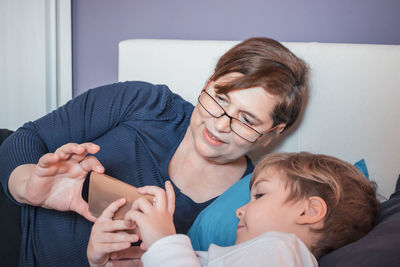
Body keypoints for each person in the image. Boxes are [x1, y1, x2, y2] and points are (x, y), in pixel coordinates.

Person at [0, 37, 309, 266]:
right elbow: (27, 138)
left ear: (272, 134)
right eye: (220, 99)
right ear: (209, 82)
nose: (220, 125)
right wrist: (30, 187)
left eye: (246, 119)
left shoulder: (249, 205)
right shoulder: (147, 102)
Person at [87, 152, 379, 267]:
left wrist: (165, 242)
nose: (240, 210)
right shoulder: (238, 255)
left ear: (309, 211)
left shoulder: (281, 250)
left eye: (259, 195)